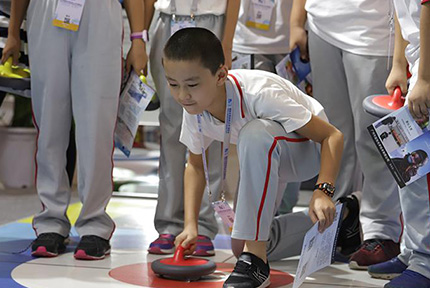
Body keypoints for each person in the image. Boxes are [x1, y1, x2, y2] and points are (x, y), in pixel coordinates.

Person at [164, 27, 343, 288]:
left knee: (254, 133)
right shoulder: (193, 107)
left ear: (220, 75)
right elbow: (194, 166)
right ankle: (342, 221)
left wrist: (323, 190)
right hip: (268, 154)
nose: (182, 95)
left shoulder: (259, 93)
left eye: (191, 84)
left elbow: (332, 136)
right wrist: (191, 225)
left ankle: (256, 264)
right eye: (173, 85)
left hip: (308, 151)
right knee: (243, 243)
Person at [1, 0, 146, 260]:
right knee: (50, 125)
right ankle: (51, 222)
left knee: (96, 127)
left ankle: (95, 225)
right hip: (46, 10)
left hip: (100, 12)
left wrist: (138, 38)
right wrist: (13, 33)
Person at [290, 0, 403, 269]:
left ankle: (381, 232)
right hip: (321, 25)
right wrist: (297, 22)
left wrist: (400, 57)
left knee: (375, 139)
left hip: (372, 33)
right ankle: (340, 223)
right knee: (332, 132)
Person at [143, 0, 239, 256]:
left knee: (214, 127)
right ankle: (168, 222)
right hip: (166, 19)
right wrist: (139, 36)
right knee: (171, 126)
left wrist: (227, 43)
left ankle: (205, 225)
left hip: (211, 20)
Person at [368, 1, 430, 287]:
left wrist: (425, 78)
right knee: (407, 168)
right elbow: (401, 15)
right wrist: (399, 64)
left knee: (422, 173)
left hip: (426, 67)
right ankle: (412, 250)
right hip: (417, 62)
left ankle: (426, 261)